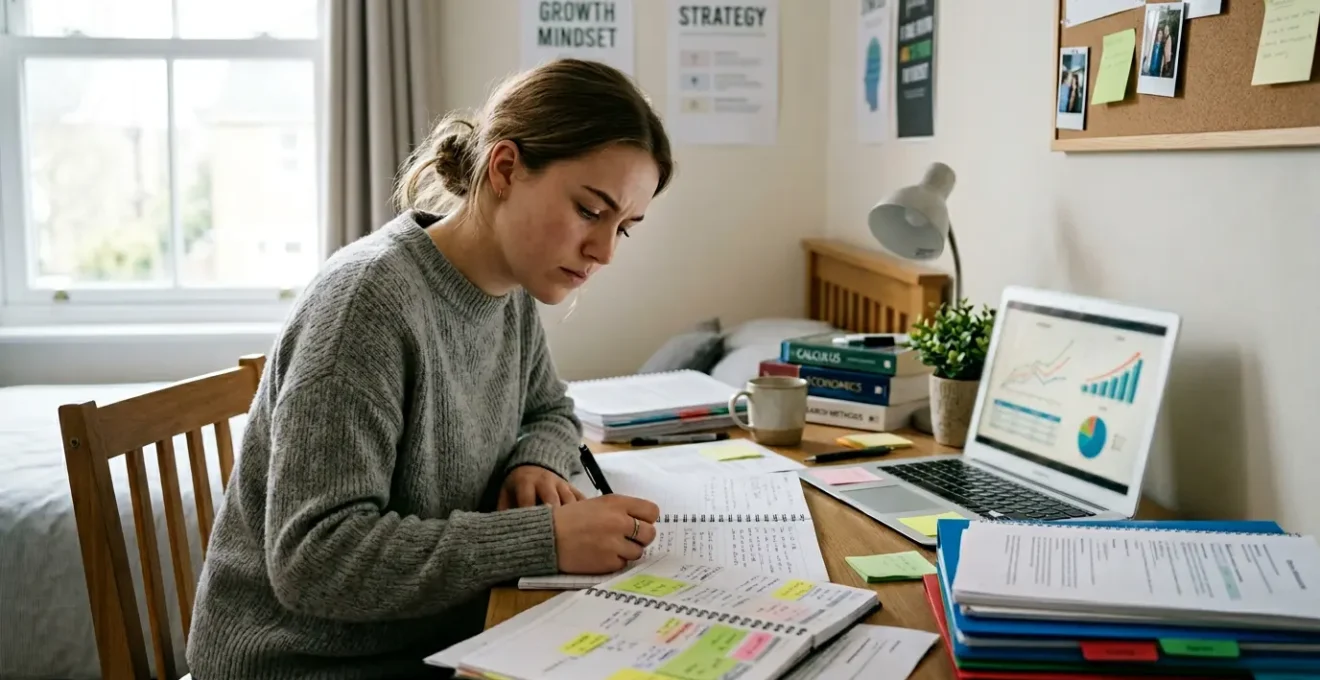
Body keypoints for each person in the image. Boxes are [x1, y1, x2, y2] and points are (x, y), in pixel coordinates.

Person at [185, 58, 674, 680]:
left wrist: (534, 461)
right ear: (504, 169)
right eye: (588, 210)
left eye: (623, 229)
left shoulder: (512, 288)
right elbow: (314, 559)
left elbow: (551, 409)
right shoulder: (366, 304)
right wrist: (544, 537)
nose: (603, 252)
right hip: (306, 662)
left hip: (444, 638)